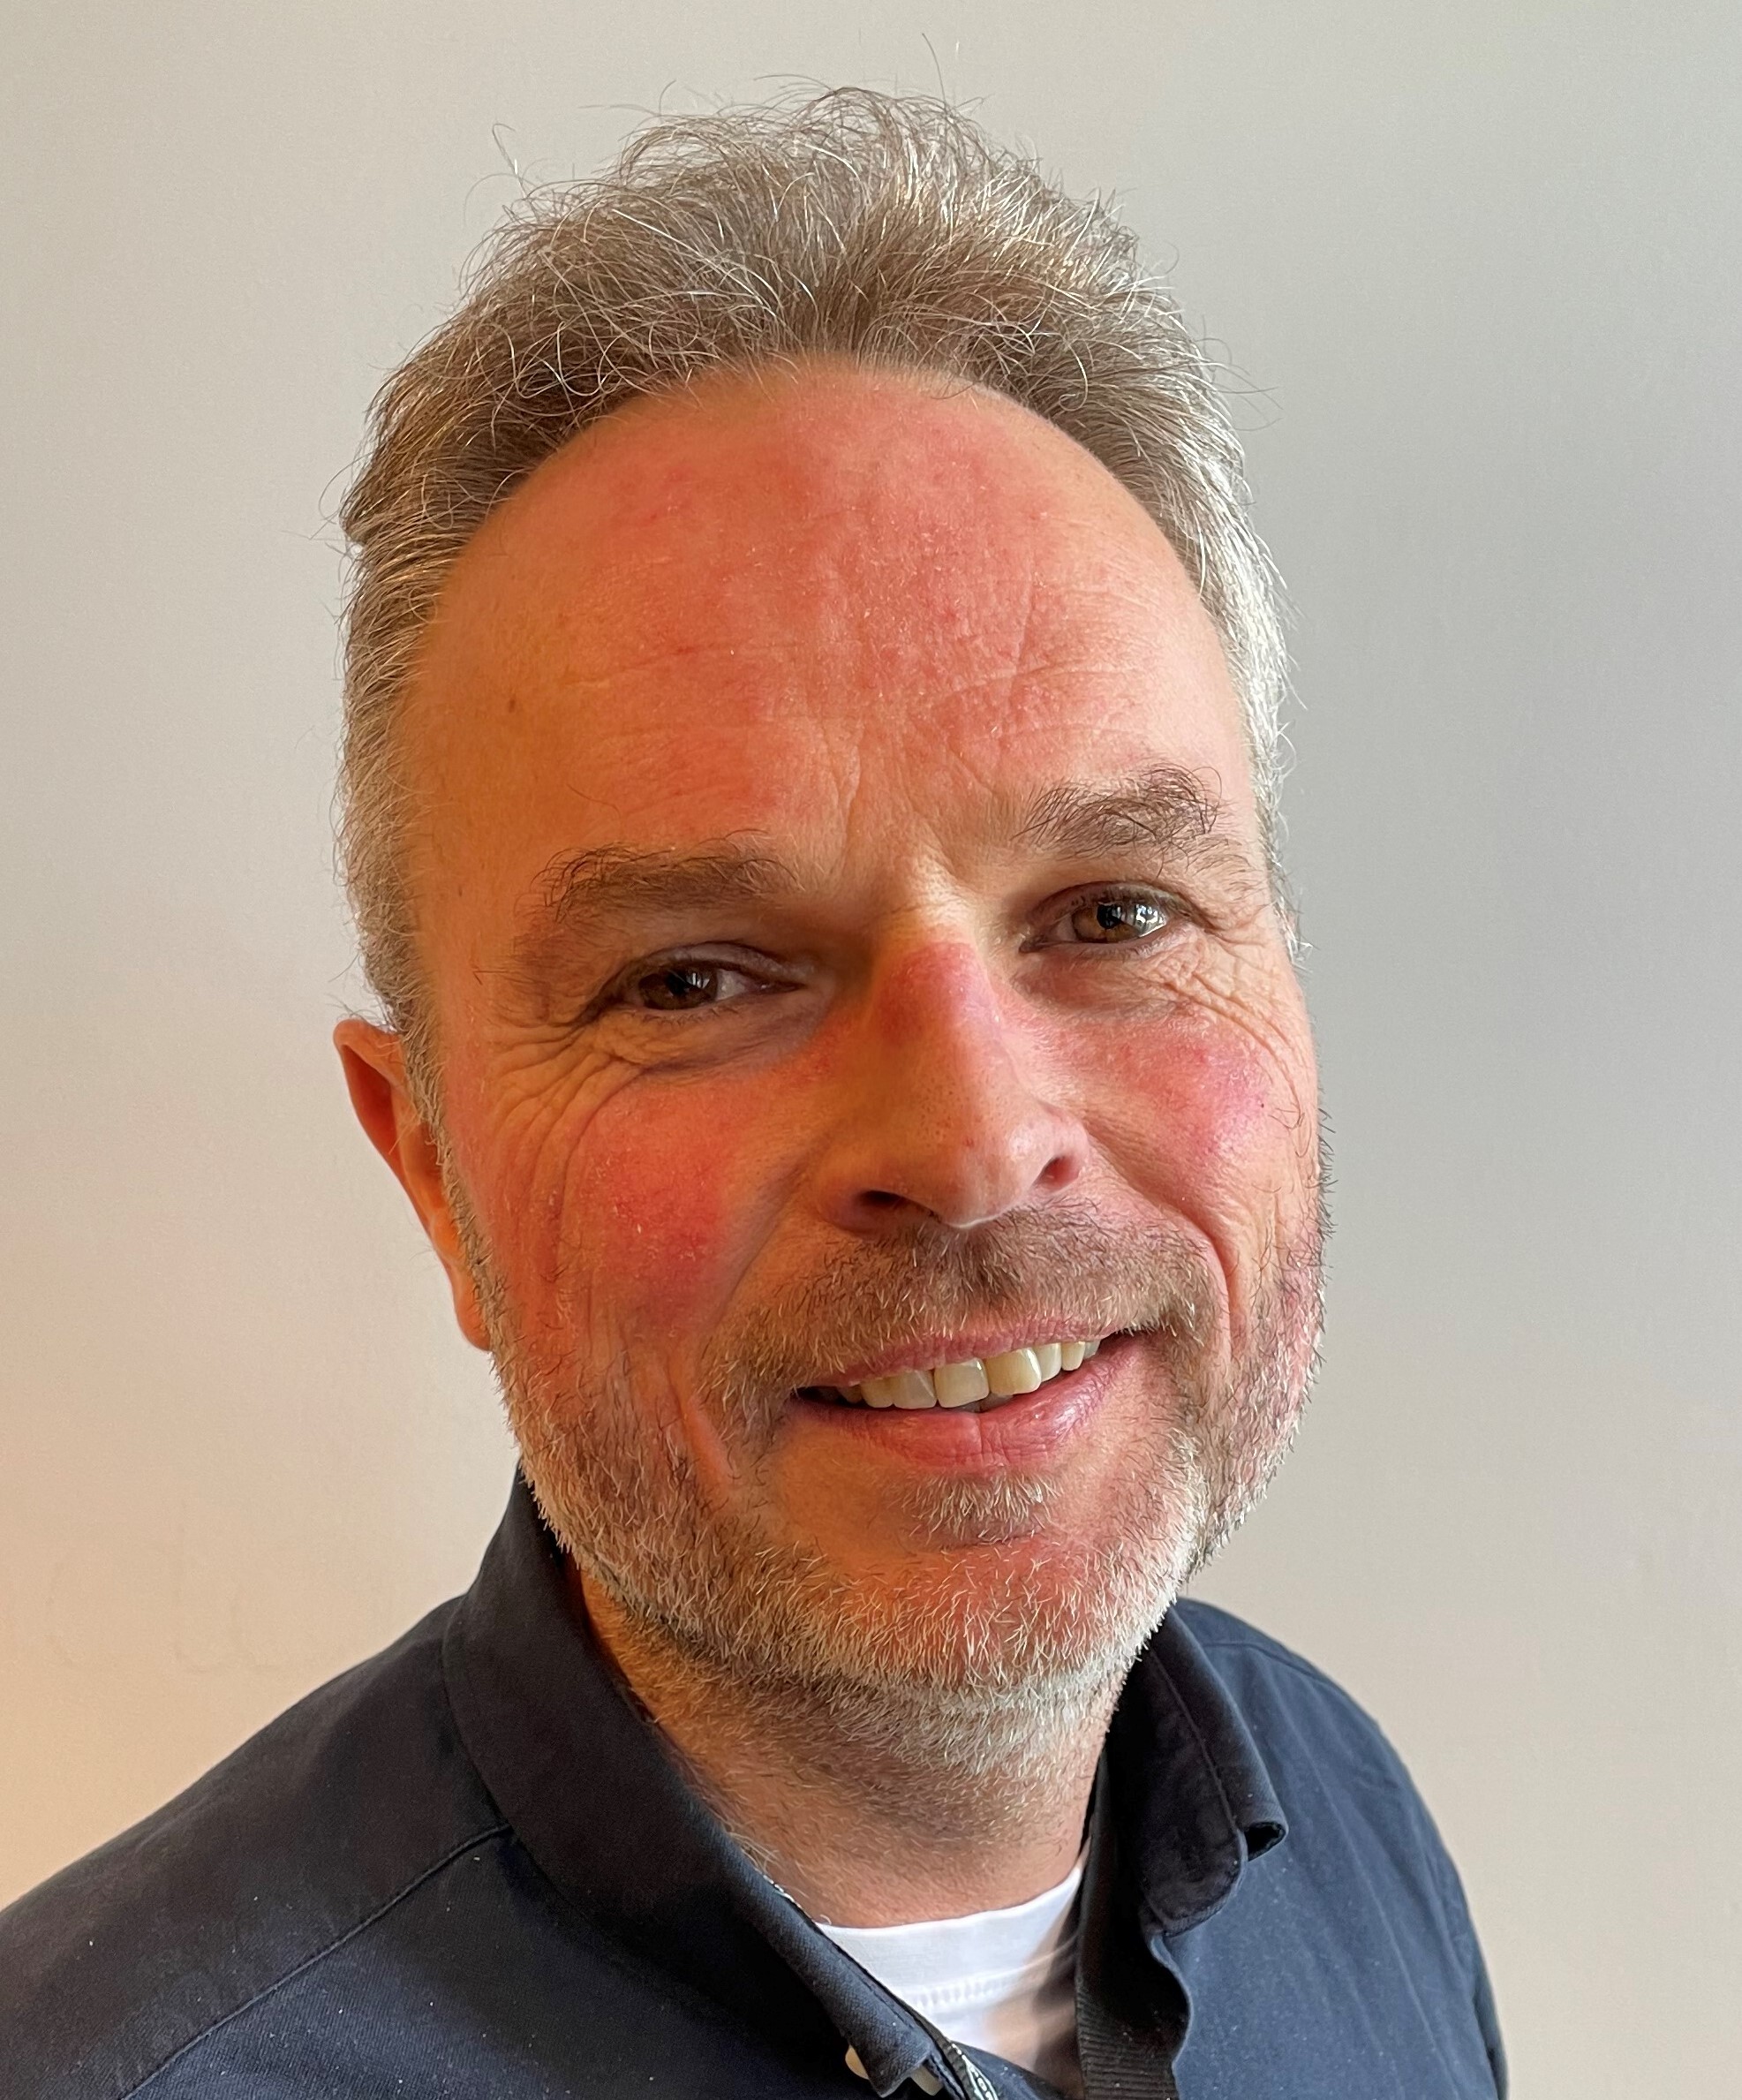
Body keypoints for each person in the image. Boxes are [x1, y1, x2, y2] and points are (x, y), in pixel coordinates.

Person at [0, 89, 1505, 2100]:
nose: (973, 1145)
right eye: (697, 977)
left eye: (1114, 910)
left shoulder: (1354, 1832)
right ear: (431, 1170)